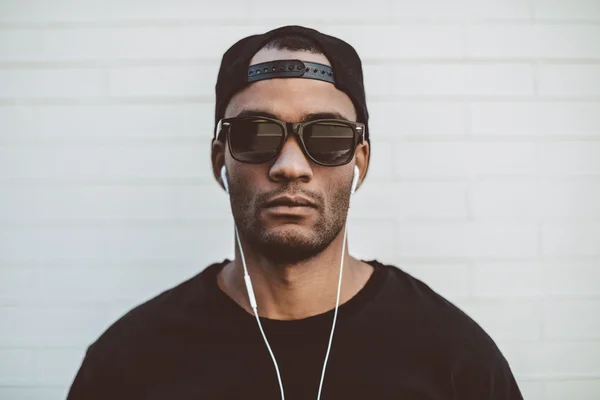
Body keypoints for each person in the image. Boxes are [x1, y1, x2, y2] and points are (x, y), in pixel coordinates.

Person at [67, 25, 523, 400]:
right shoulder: (128, 364)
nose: (290, 167)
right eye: (255, 134)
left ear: (359, 161)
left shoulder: (456, 360)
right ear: (218, 160)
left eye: (326, 137)